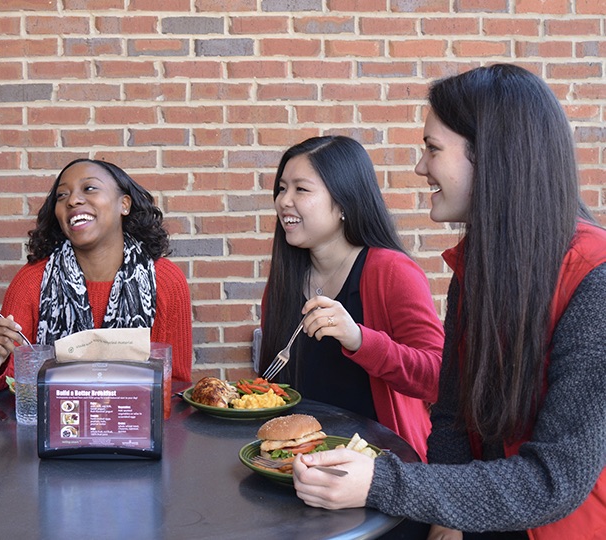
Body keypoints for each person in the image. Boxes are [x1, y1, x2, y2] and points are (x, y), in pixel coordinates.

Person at [291, 64, 606, 539]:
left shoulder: (593, 280)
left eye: (433, 149)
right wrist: (446, 517)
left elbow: (553, 481)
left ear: (493, 157)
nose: (420, 167)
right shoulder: (474, 268)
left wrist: (384, 482)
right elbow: (454, 415)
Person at [259, 135, 444, 460]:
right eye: (282, 188)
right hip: (297, 464)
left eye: (301, 189)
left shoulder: (392, 271)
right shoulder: (285, 278)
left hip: (382, 467)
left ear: (344, 203)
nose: (284, 201)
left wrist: (359, 339)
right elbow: (273, 388)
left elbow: (438, 376)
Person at [0, 158, 192, 392]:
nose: (72, 200)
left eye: (89, 188)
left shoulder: (165, 280)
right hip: (56, 424)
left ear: (124, 204)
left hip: (136, 423)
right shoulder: (33, 281)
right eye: (62, 196)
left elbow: (176, 384)